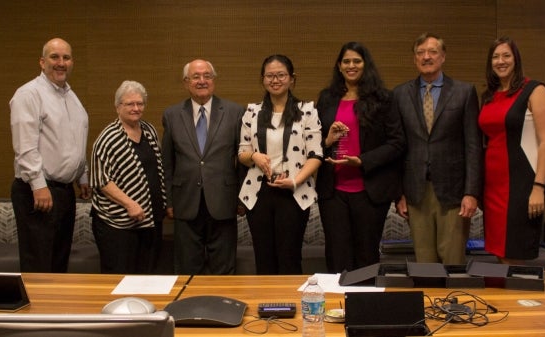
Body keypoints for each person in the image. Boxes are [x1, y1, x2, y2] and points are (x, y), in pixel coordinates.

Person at [316, 42, 405, 273]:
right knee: (337, 256)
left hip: (370, 191)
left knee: (366, 256)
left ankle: (365, 306)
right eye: (346, 61)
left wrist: (362, 161)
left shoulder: (384, 98)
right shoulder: (326, 98)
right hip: (333, 192)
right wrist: (327, 141)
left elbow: (397, 143)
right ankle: (338, 307)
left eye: (357, 61)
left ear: (366, 65)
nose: (351, 65)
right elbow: (313, 142)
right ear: (339, 66)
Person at [394, 33, 483, 265]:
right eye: (420, 53)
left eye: (432, 51)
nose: (426, 57)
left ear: (443, 57)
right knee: (424, 264)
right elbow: (397, 148)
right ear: (414, 59)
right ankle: (428, 302)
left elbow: (474, 146)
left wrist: (471, 192)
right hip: (416, 192)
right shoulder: (400, 94)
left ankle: (452, 303)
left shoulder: (464, 92)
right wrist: (399, 194)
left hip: (453, 193)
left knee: (453, 261)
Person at [10, 37, 90, 273]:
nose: (61, 62)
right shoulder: (29, 94)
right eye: (55, 57)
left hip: (64, 192)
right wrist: (38, 184)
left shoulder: (70, 97)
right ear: (42, 62)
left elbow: (73, 140)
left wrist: (82, 176)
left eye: (66, 57)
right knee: (39, 267)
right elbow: (25, 146)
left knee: (58, 265)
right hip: (38, 192)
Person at [238, 55, 323, 275]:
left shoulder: (307, 111)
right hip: (259, 192)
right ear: (263, 79)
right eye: (270, 76)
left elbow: (316, 155)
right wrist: (254, 157)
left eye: (281, 75)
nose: (275, 80)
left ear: (292, 79)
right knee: (263, 258)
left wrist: (295, 180)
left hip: (293, 192)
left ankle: (290, 307)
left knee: (289, 258)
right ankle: (267, 308)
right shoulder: (252, 112)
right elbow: (242, 152)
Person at [478, 37, 545, 265]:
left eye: (506, 55)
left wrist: (538, 187)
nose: (500, 61)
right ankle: (504, 300)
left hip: (522, 185)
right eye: (495, 56)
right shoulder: (490, 96)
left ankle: (520, 300)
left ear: (516, 59)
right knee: (499, 252)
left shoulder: (534, 90)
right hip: (493, 186)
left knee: (516, 252)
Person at [162, 59, 244, 275]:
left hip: (224, 202)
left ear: (214, 80)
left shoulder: (235, 112)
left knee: (224, 268)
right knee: (187, 268)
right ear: (186, 82)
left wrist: (241, 198)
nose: (202, 81)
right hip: (185, 202)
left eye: (207, 76)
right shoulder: (171, 115)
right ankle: (188, 308)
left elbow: (242, 160)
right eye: (196, 77)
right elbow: (167, 162)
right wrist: (169, 201)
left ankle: (223, 308)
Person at [90, 80, 166, 274]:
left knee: (147, 276)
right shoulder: (108, 138)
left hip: (149, 220)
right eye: (129, 104)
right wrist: (129, 203)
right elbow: (101, 180)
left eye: (140, 103)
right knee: (121, 277)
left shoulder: (149, 130)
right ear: (118, 107)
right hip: (118, 225)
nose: (135, 108)